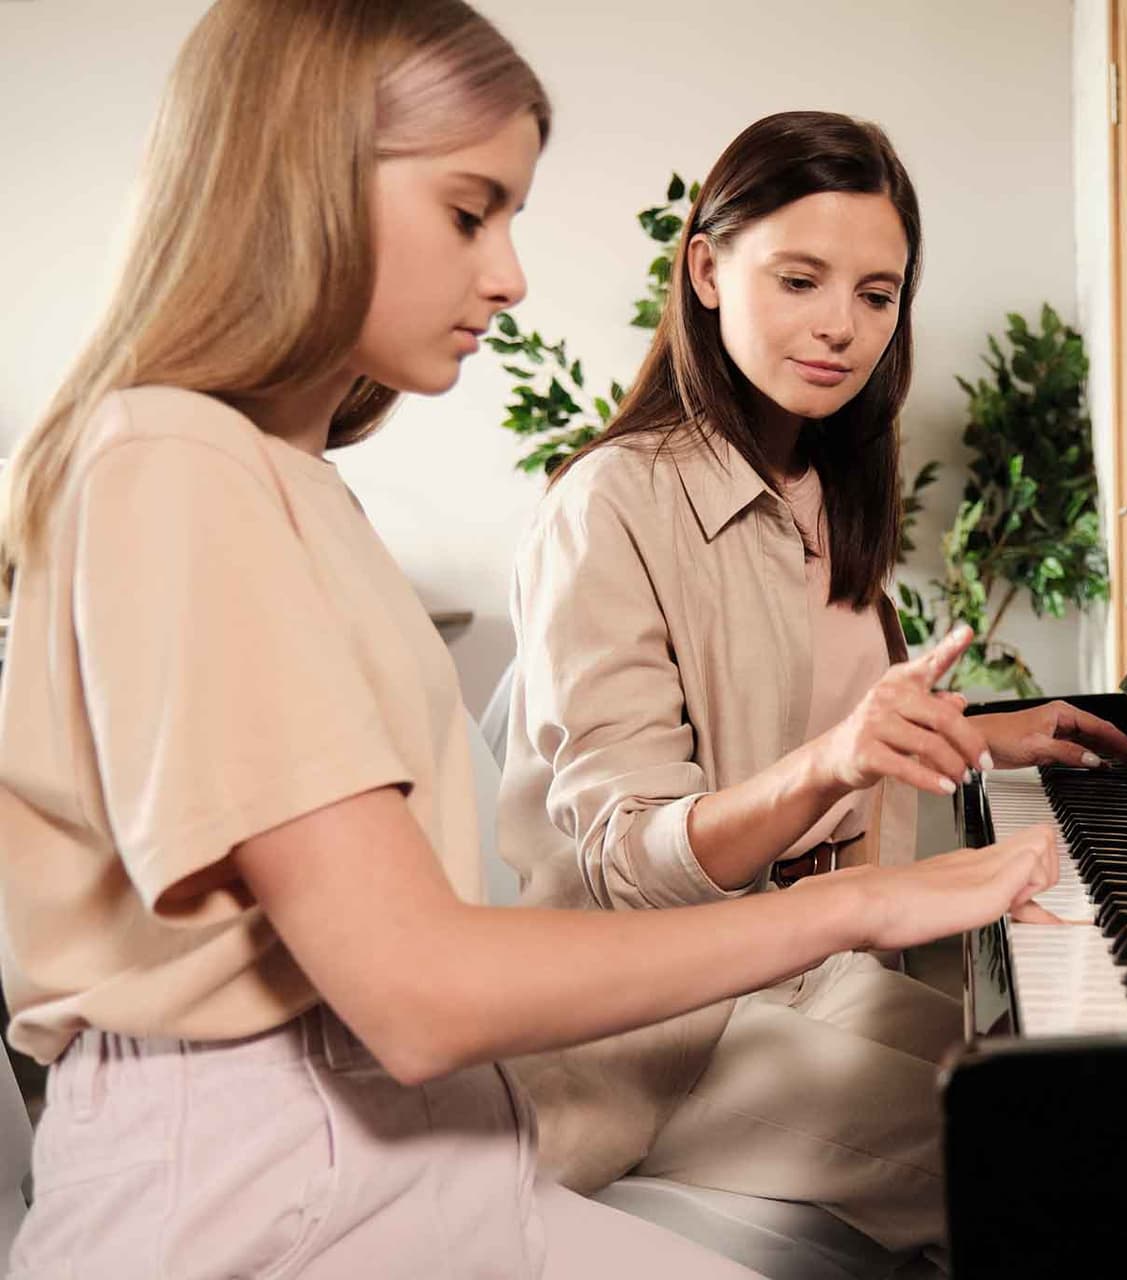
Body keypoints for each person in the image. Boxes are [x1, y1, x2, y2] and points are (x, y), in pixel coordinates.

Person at [0, 6, 1056, 1277]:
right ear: (303, 179)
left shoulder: (285, 480)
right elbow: (421, 985)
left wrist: (950, 759)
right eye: (468, 212)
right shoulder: (172, 465)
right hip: (257, 1196)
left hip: (415, 1147)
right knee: (1051, 1159)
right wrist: (868, 898)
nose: (508, 275)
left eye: (876, 292)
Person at [497, 109, 1127, 1252]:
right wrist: (836, 760)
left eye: (878, 295)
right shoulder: (606, 503)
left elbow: (824, 726)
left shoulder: (818, 478)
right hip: (668, 1039)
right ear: (705, 267)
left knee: (1106, 1065)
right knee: (1092, 1153)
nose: (842, 327)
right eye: (800, 279)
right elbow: (628, 859)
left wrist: (985, 732)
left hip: (815, 976)